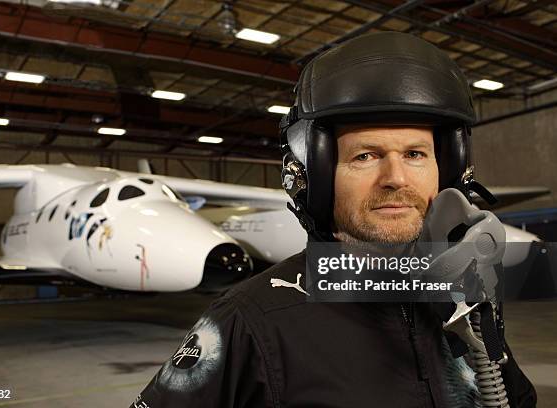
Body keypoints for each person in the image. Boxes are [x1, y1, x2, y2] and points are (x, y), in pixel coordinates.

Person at [129, 32, 536, 408]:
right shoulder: (248, 322)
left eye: (415, 154)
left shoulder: (466, 295)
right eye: (365, 156)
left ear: (447, 171)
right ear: (318, 177)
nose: (396, 179)